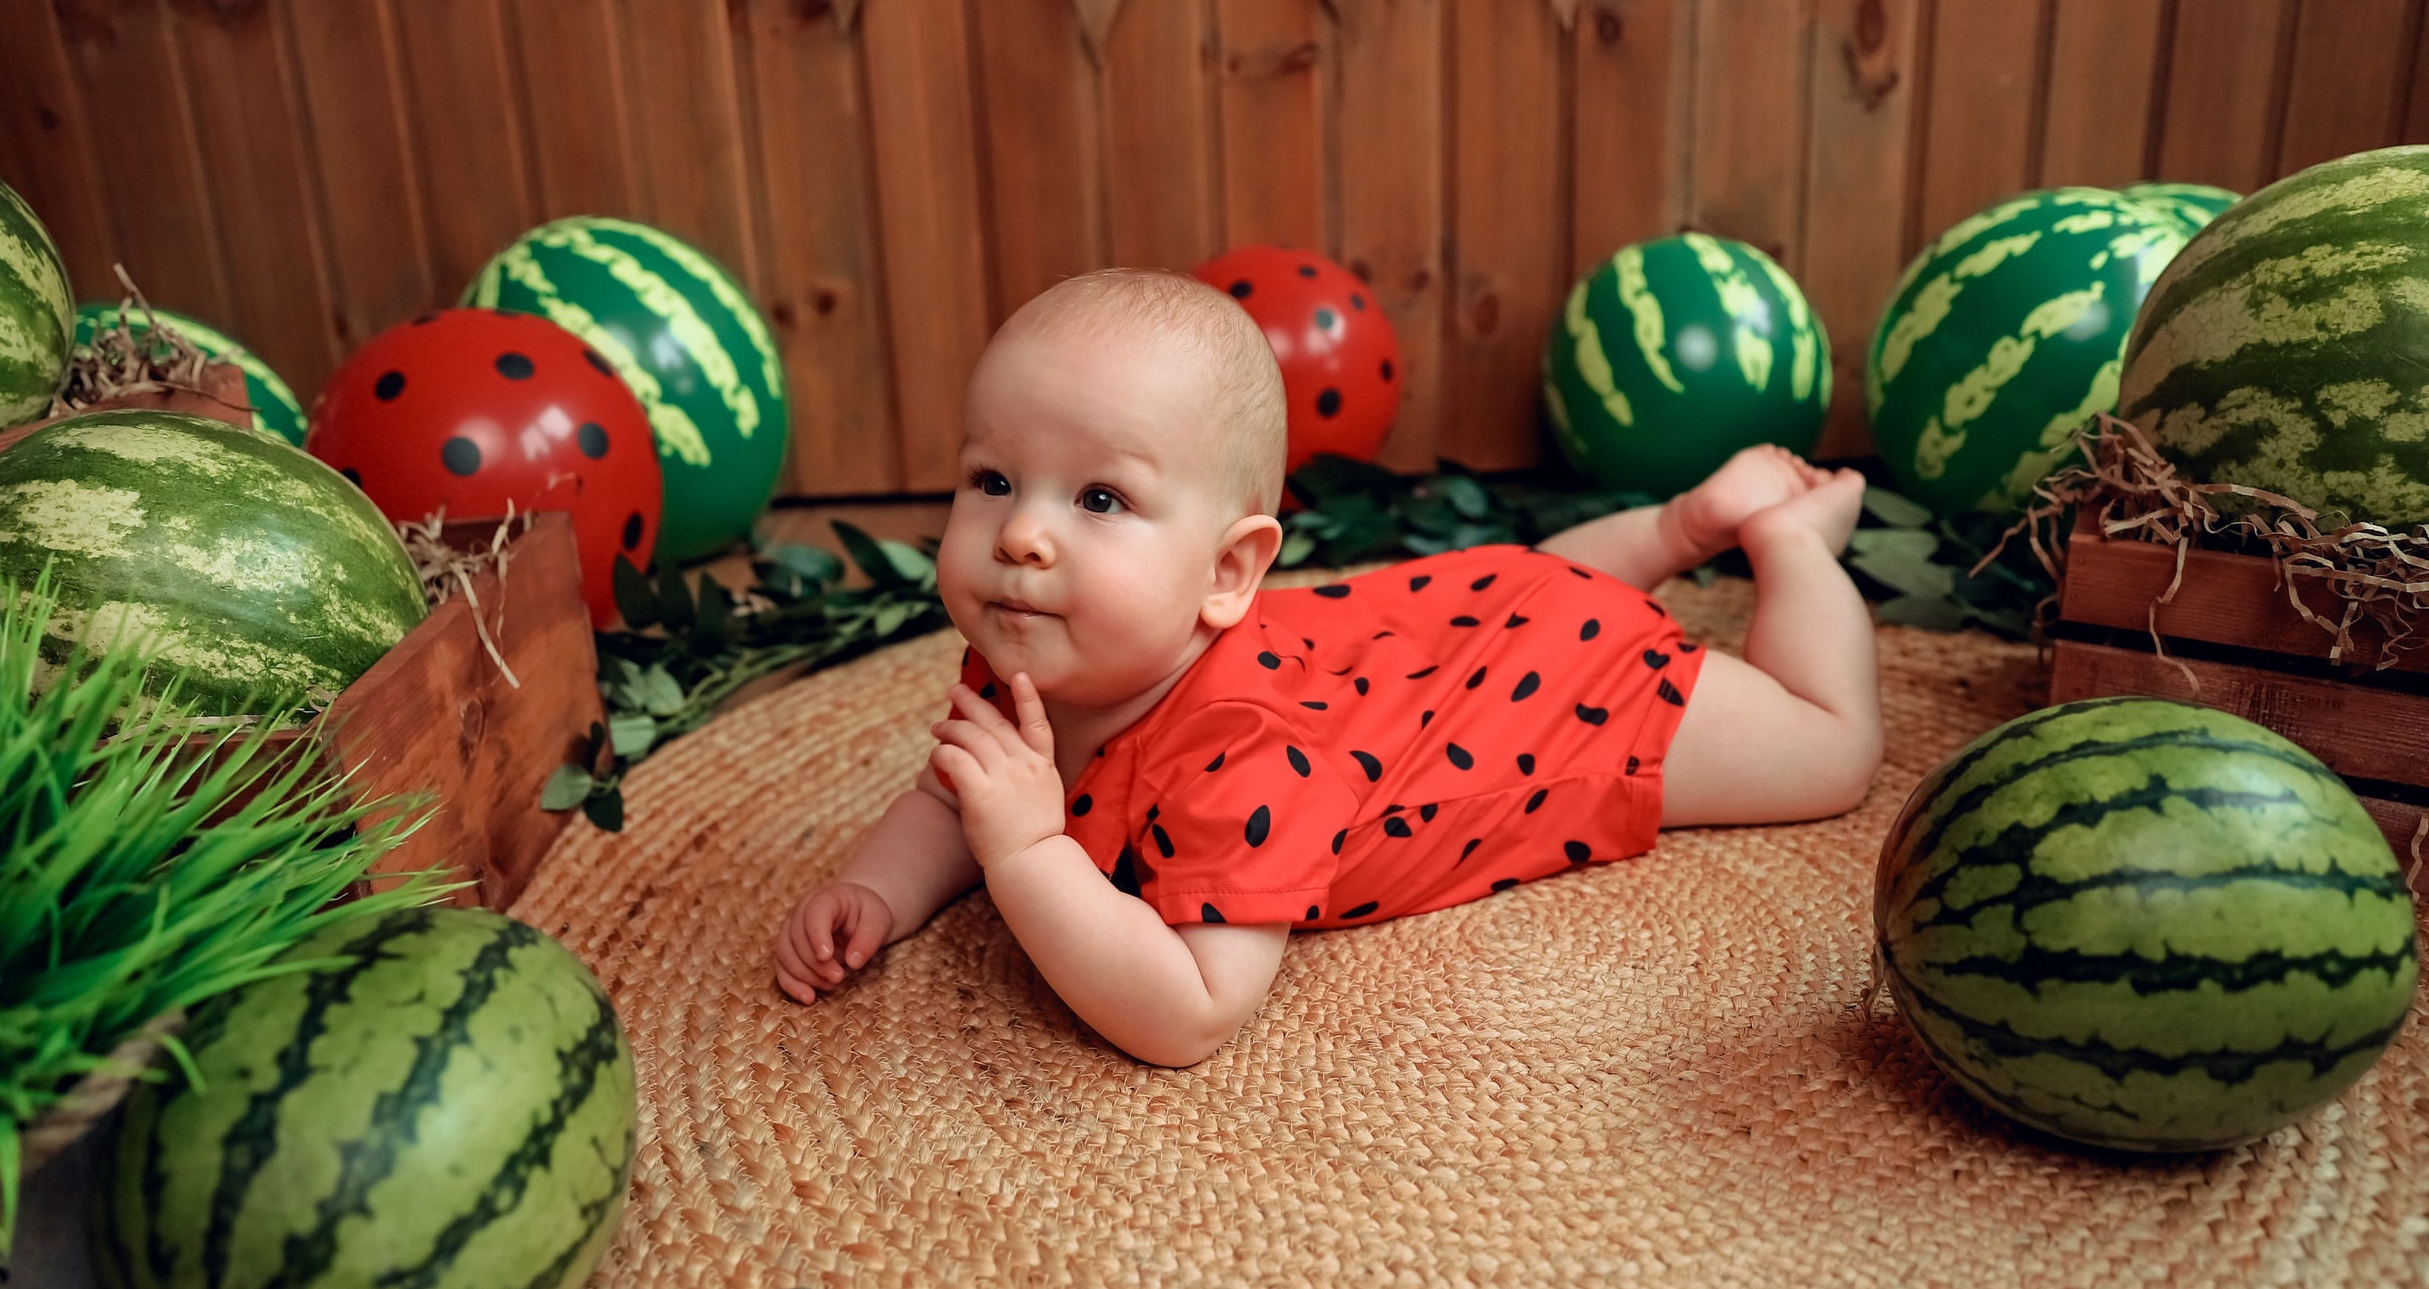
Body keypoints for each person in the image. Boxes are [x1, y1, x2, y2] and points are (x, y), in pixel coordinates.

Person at [773, 269, 1881, 1066]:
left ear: (1229, 572)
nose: (1021, 538)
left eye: (1099, 498)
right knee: (1518, 588)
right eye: (993, 480)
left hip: (1577, 702)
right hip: (1467, 616)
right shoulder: (1028, 638)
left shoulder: (1243, 754)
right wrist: (878, 888)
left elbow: (1192, 1012)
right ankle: (1681, 526)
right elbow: (947, 793)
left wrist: (1026, 850)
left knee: (1829, 749)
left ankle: (1783, 542)